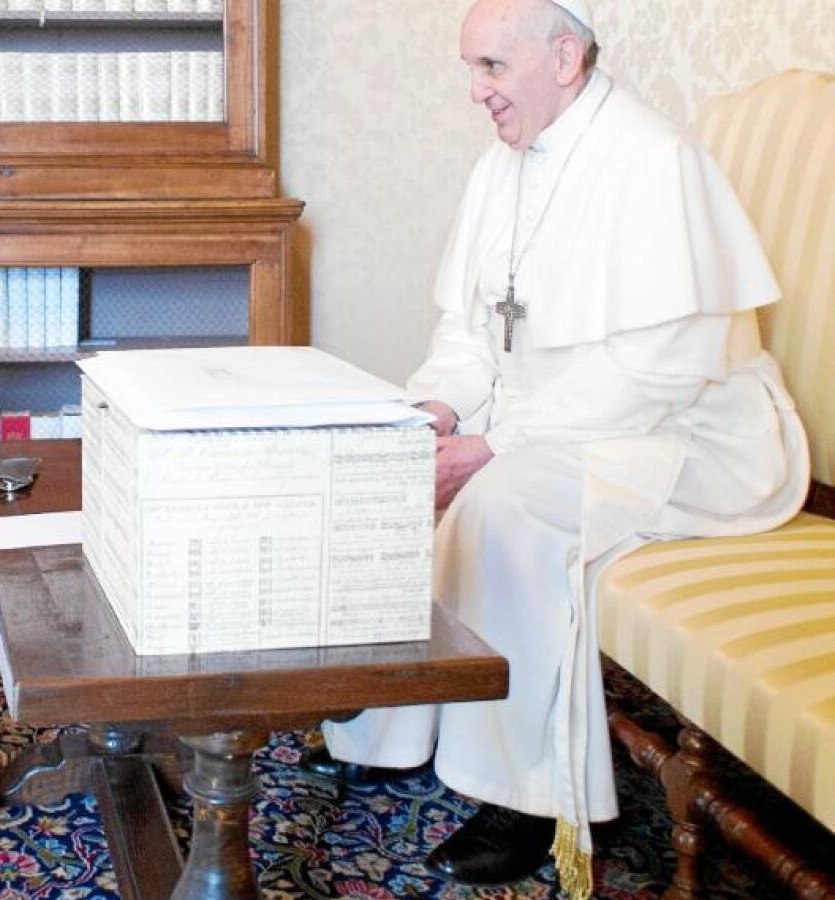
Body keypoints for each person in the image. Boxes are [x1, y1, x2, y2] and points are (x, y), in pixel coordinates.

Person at [315, 0, 810, 896]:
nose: (475, 92)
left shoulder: (653, 160)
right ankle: (389, 734)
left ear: (564, 58)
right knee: (393, 460)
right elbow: (469, 330)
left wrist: (495, 443)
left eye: (491, 67)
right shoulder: (500, 166)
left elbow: (660, 369)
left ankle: (527, 797)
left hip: (688, 434)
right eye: (470, 68)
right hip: (562, 420)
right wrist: (435, 411)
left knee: (506, 503)